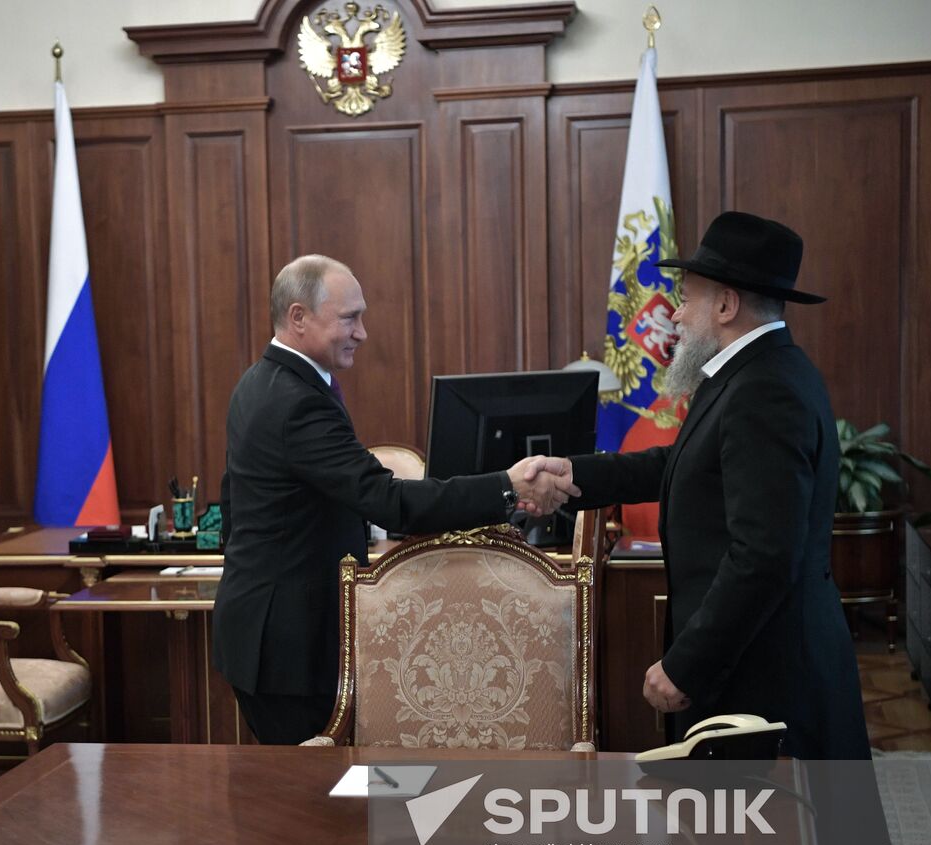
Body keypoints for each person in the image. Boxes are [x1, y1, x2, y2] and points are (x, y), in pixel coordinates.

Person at [213, 254, 578, 745]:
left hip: (272, 633)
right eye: (349, 318)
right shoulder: (295, 401)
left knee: (313, 803)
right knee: (306, 806)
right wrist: (507, 484)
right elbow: (386, 500)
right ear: (299, 317)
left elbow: (238, 507)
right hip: (288, 648)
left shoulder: (262, 382)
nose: (362, 332)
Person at [548, 210, 871, 762]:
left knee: (757, 843)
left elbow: (764, 556)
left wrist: (686, 662)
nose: (675, 313)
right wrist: (576, 475)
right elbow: (685, 463)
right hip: (755, 663)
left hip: (765, 679)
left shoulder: (765, 390)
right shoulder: (755, 374)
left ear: (726, 305)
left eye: (688, 296)